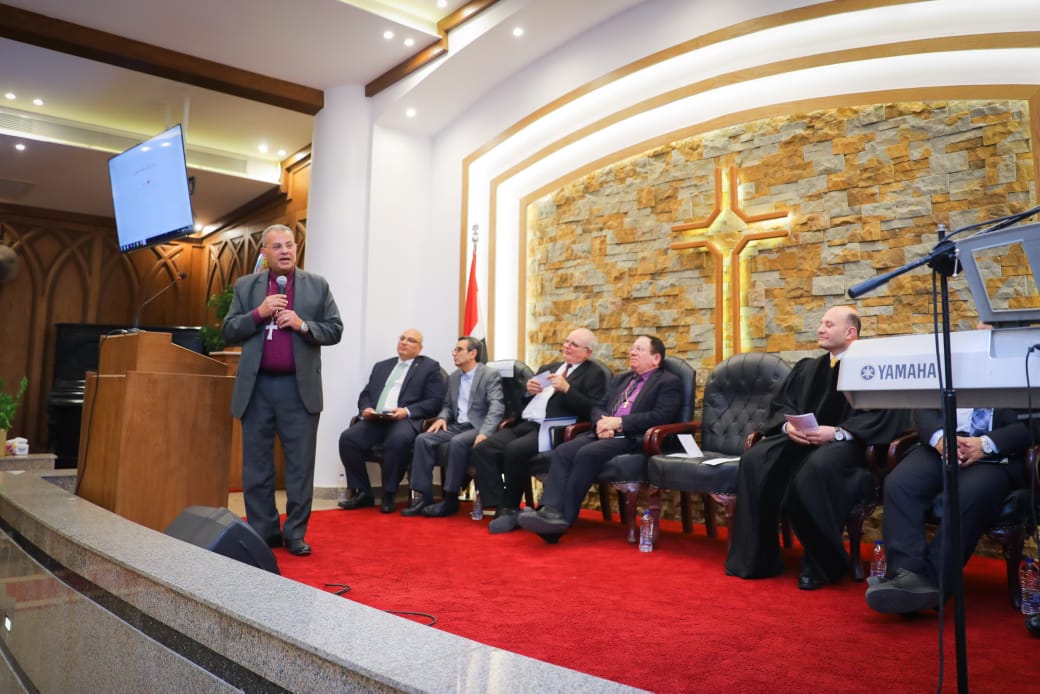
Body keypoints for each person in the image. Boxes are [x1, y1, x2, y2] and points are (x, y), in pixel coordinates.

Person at [724, 305, 906, 588]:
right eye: (821, 323)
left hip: (849, 446)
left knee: (816, 467)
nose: (820, 329)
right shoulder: (809, 368)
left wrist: (838, 433)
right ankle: (757, 559)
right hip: (804, 440)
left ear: (850, 332)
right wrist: (788, 428)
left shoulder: (873, 369)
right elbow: (782, 405)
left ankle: (821, 564)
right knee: (756, 459)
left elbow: (883, 417)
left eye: (829, 325)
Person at [223, 224, 343, 556]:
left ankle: (295, 534)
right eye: (277, 246)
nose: (285, 251)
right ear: (264, 252)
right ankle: (264, 532)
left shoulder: (317, 286)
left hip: (298, 389)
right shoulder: (246, 286)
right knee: (257, 467)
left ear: (296, 249)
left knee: (300, 467)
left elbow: (335, 329)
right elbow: (229, 329)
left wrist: (303, 325)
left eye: (289, 245)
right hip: (257, 388)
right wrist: (258, 314)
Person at [865, 407, 1032, 613]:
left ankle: (932, 585)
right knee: (900, 483)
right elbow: (924, 405)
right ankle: (905, 574)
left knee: (968, 495)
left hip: (998, 454)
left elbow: (1034, 421)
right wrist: (941, 439)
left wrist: (986, 444)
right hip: (943, 444)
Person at [517, 335, 682, 543]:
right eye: (632, 348)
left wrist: (620, 423)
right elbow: (598, 407)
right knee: (564, 451)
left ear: (656, 358)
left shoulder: (667, 382)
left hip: (632, 437)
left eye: (639, 349)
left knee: (587, 453)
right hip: (603, 432)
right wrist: (601, 424)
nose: (632, 352)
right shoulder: (622, 379)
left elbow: (661, 416)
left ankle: (563, 520)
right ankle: (548, 510)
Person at [472, 328, 607, 533]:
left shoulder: (595, 374)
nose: (567, 346)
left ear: (587, 352)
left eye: (574, 344)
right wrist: (528, 392)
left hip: (554, 428)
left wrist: (568, 389)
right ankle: (500, 505)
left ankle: (510, 506)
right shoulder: (549, 367)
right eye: (566, 341)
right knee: (484, 448)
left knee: (515, 450)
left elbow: (592, 409)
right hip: (526, 422)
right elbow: (524, 401)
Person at [336, 329, 446, 514]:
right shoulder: (382, 366)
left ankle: (388, 493)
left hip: (404, 420)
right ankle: (364, 493)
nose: (404, 342)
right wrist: (366, 409)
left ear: (419, 348)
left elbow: (434, 401)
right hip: (377, 419)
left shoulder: (429, 367)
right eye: (402, 338)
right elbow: (366, 394)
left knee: (398, 440)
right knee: (348, 439)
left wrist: (406, 411)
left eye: (411, 340)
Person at [402, 336, 505, 517]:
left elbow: (497, 407)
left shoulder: (489, 375)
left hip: (478, 425)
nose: (454, 353)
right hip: (457, 424)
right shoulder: (454, 377)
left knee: (457, 442)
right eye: (454, 350)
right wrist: (442, 418)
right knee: (423, 439)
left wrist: (485, 432)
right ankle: (424, 498)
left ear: (472, 353)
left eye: (459, 350)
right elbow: (448, 406)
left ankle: (450, 498)